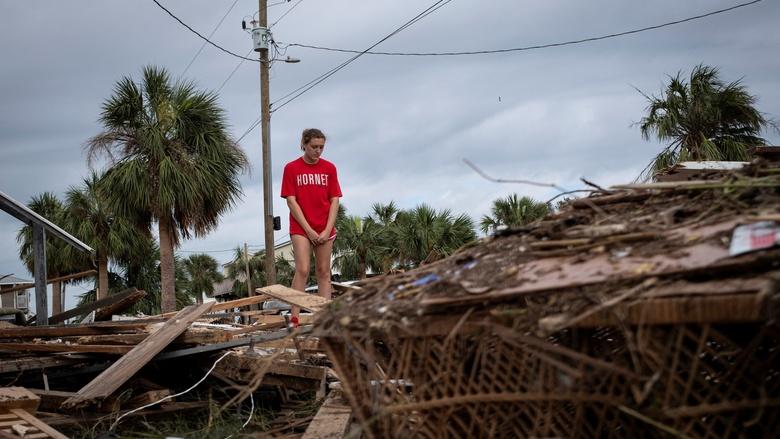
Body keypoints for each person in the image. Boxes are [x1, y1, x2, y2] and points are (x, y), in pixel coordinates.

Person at [280, 128, 342, 327]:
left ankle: (324, 316)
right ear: (304, 144)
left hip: (324, 226)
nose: (318, 151)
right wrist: (309, 230)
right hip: (301, 227)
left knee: (324, 271)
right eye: (314, 147)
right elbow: (291, 201)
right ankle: (295, 317)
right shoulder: (291, 168)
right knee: (303, 269)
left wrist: (326, 230)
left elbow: (334, 201)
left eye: (321, 147)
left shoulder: (330, 168)